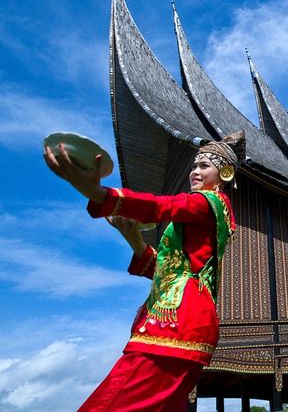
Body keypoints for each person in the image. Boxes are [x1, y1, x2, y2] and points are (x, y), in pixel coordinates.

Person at [44, 131, 244, 411]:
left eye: (204, 165)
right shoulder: (205, 213)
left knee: (111, 404)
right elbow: (165, 272)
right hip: (183, 321)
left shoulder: (205, 202)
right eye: (194, 165)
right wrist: (134, 239)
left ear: (224, 172)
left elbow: (161, 206)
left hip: (177, 324)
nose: (194, 171)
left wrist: (99, 193)